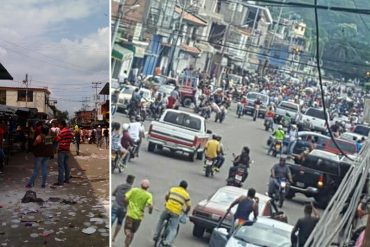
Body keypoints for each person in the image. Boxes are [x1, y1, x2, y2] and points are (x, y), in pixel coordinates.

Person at [153, 180, 191, 246]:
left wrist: (168, 202)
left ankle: (156, 235)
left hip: (167, 209)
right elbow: (189, 206)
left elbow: (166, 197)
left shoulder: (173, 189)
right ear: (186, 188)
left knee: (161, 220)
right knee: (173, 228)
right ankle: (167, 242)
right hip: (176, 212)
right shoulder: (186, 194)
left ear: (179, 185)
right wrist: (185, 212)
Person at [124, 179, 153, 247]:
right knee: (133, 232)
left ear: (140, 185)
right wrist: (150, 211)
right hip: (138, 217)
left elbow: (125, 198)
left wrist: (128, 204)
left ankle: (127, 236)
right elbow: (150, 206)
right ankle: (127, 245)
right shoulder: (149, 195)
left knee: (127, 230)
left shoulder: (134, 190)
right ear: (148, 187)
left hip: (130, 214)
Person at [112, 174, 135, 242]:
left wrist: (118, 196)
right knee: (119, 223)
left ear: (126, 179)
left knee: (111, 221)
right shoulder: (132, 190)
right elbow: (131, 200)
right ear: (132, 181)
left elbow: (113, 193)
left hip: (115, 206)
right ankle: (114, 237)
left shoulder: (120, 186)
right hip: (123, 209)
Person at [54, 120, 73, 186]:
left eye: (59, 125)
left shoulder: (62, 132)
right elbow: (71, 139)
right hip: (67, 150)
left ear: (62, 125)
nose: (58, 126)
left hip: (61, 150)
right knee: (66, 165)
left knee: (61, 166)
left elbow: (57, 139)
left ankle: (60, 182)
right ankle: (67, 179)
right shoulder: (69, 131)